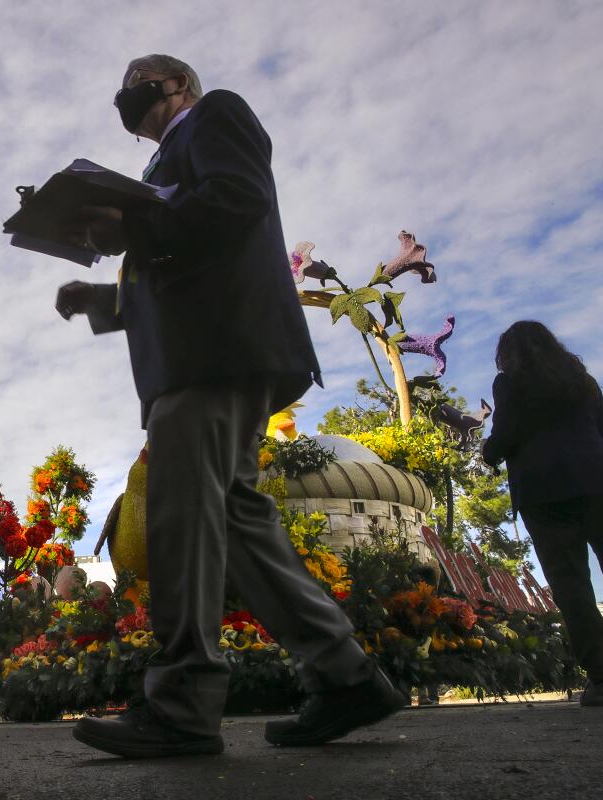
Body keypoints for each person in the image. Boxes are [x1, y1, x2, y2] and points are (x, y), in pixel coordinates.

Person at [57, 54, 405, 758]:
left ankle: (182, 703)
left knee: (183, 515)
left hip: (214, 356)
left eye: (138, 85)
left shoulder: (216, 116)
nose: (126, 97)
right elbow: (183, 264)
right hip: (202, 353)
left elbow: (235, 200)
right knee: (235, 520)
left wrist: (134, 225)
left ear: (178, 85)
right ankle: (346, 677)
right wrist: (103, 297)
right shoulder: (161, 172)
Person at [482, 320, 603, 707]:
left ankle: (602, 676)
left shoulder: (510, 383)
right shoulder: (582, 382)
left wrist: (488, 452)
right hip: (595, 479)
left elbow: (506, 432)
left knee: (572, 586)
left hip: (544, 492)